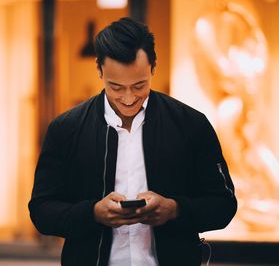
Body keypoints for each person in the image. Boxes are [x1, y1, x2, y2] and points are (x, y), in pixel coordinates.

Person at [29, 17, 237, 266]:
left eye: (139, 85)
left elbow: (224, 205)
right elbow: (41, 210)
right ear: (99, 70)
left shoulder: (191, 125)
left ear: (153, 67)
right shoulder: (66, 129)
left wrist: (174, 209)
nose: (128, 98)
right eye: (115, 87)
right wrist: (92, 213)